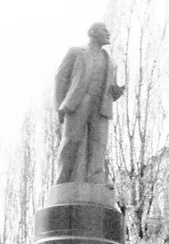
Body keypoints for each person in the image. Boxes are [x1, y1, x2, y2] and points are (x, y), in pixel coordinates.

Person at [54, 23, 125, 186]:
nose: (108, 34)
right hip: (79, 101)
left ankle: (96, 178)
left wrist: (116, 92)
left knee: (99, 142)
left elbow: (109, 87)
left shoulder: (111, 61)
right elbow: (61, 78)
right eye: (104, 31)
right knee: (71, 140)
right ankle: (62, 179)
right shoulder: (76, 52)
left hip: (101, 105)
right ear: (93, 33)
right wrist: (59, 104)